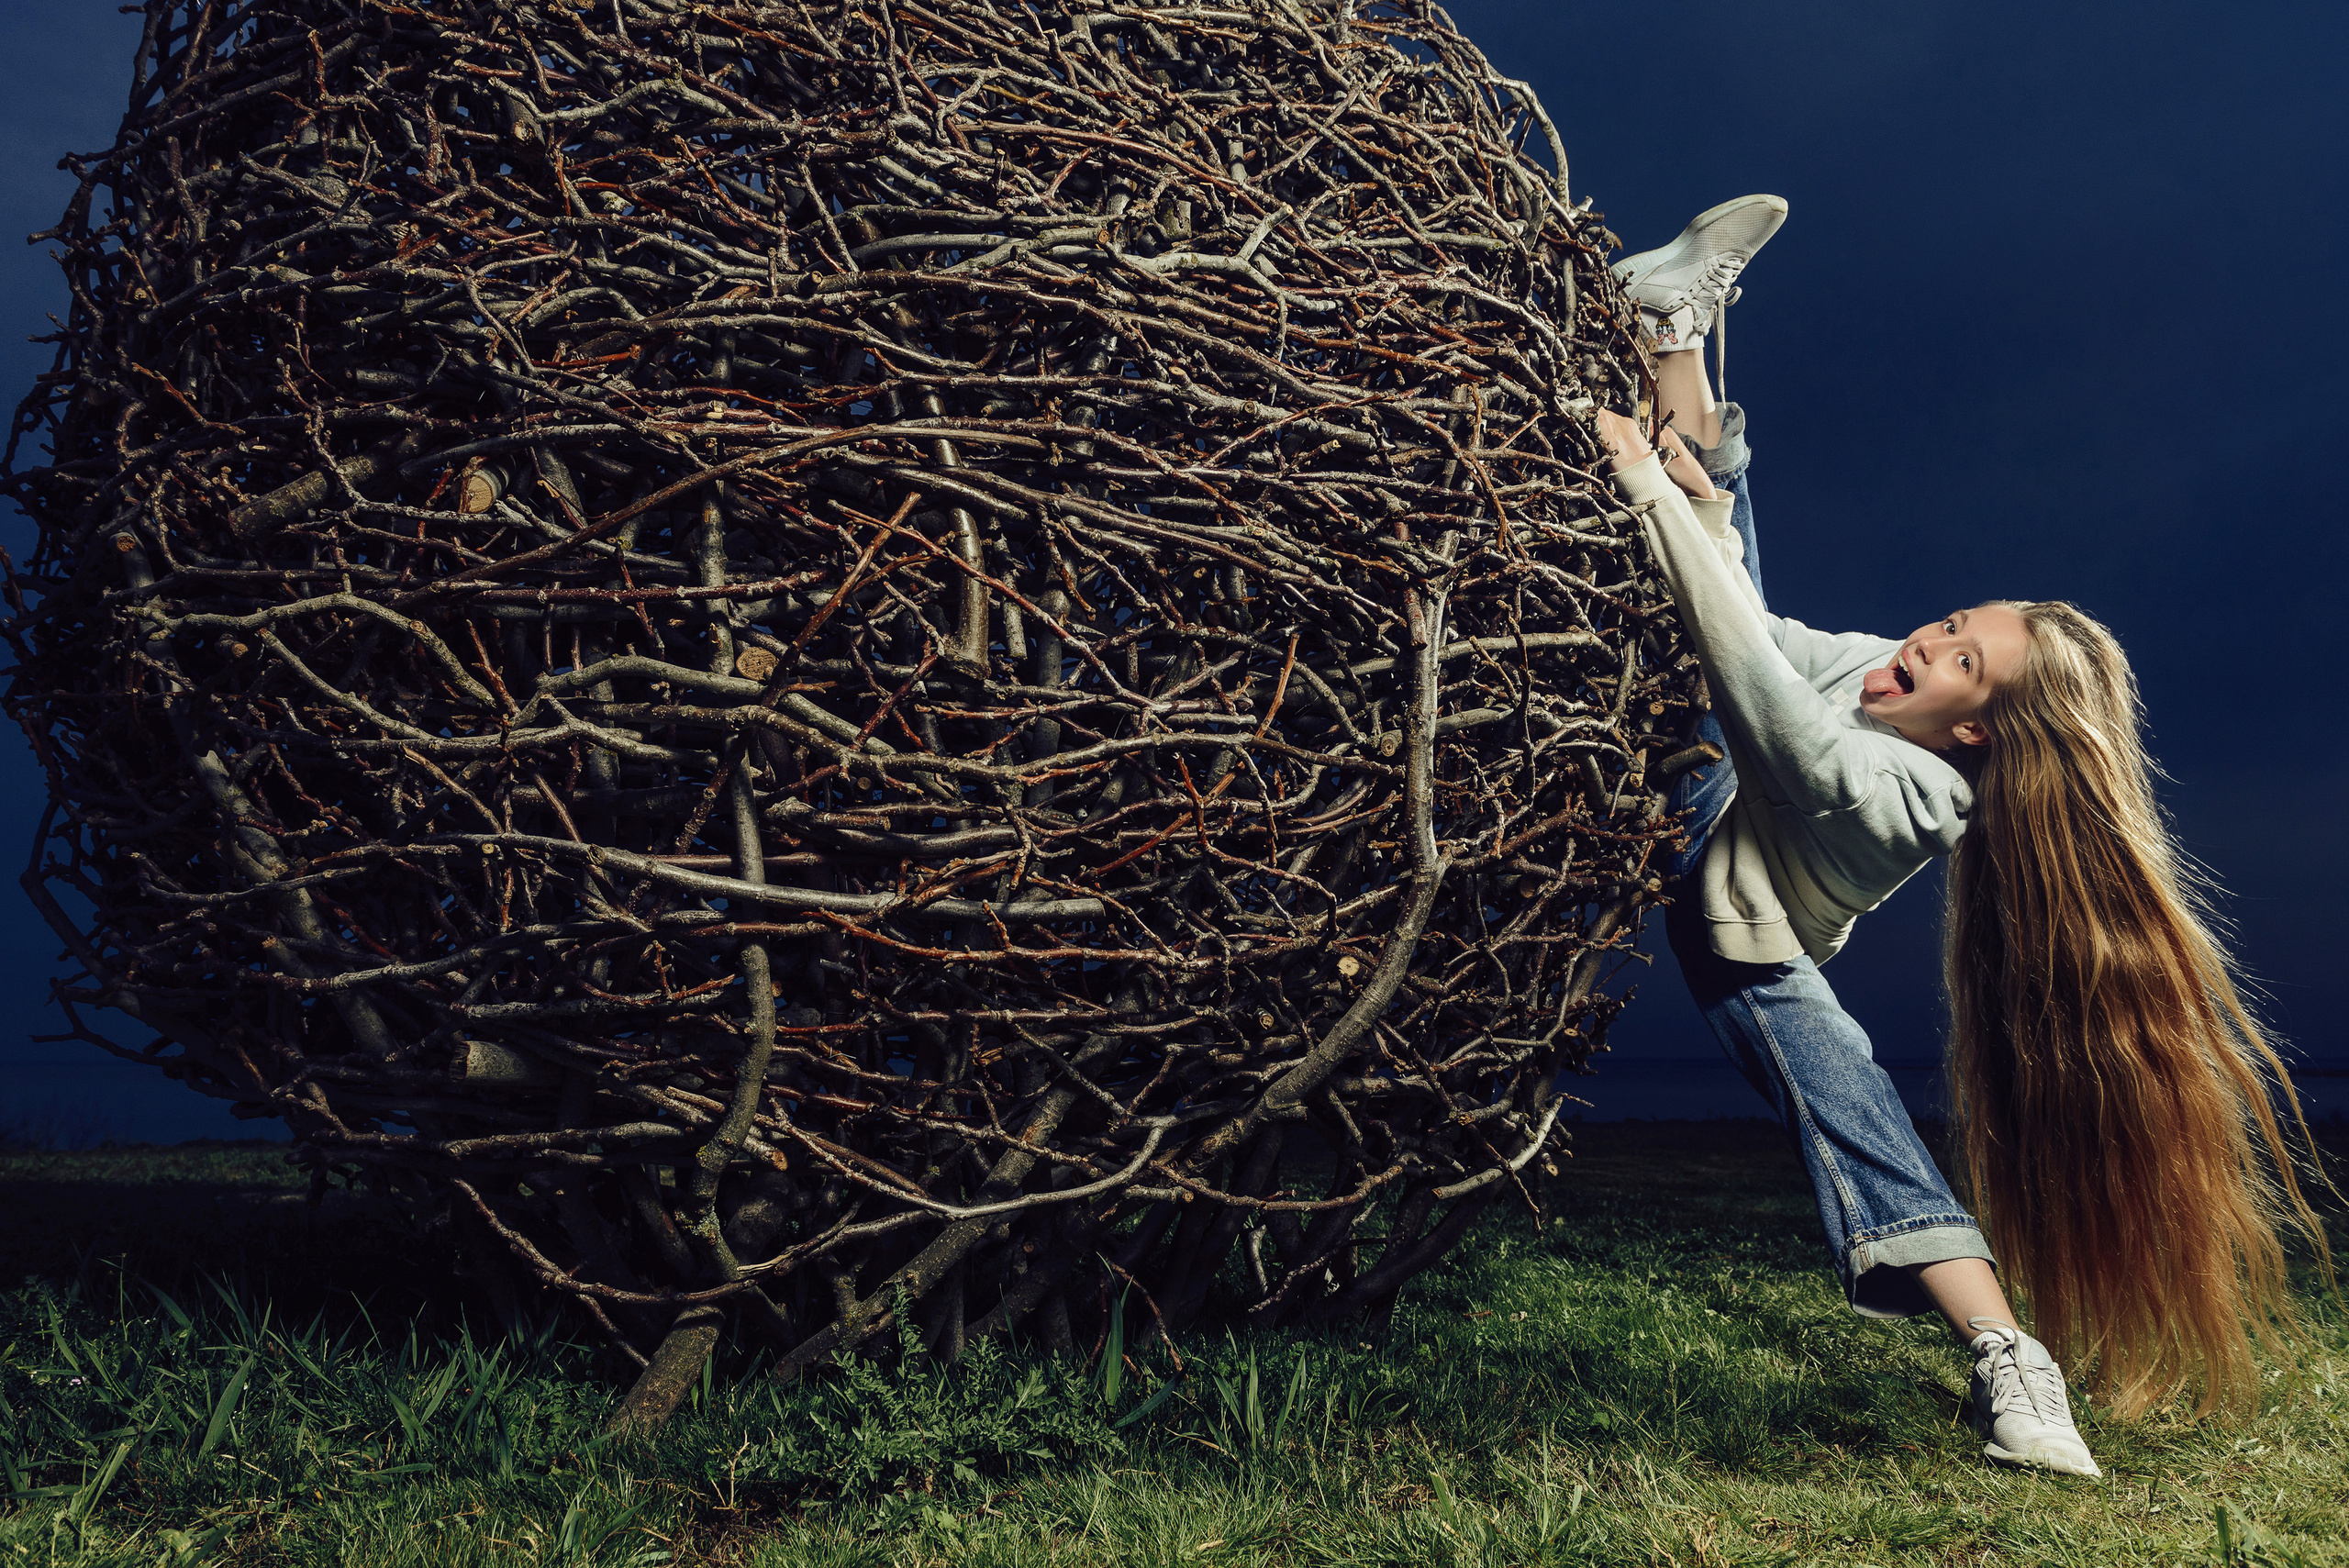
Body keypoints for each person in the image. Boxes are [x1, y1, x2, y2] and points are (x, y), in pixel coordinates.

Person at [1594, 196, 2329, 1477]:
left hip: (1737, 908)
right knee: (1722, 543)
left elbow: (1774, 723)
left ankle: (2011, 1359)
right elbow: (1759, 639)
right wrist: (1690, 495)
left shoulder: (1926, 797)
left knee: (1852, 1094)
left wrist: (1652, 493)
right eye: (1944, 622)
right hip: (1709, 757)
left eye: (1956, 662)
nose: (1919, 647)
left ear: (1979, 732)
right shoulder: (1893, 670)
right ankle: (1670, 332)